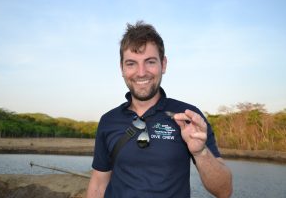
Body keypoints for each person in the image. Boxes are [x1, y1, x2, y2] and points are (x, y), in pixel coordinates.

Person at [86, 21, 232, 198]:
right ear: (122, 68)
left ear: (163, 64)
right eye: (131, 63)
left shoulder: (187, 116)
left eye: (150, 62)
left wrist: (200, 152)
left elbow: (224, 191)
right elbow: (99, 182)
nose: (141, 72)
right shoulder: (108, 120)